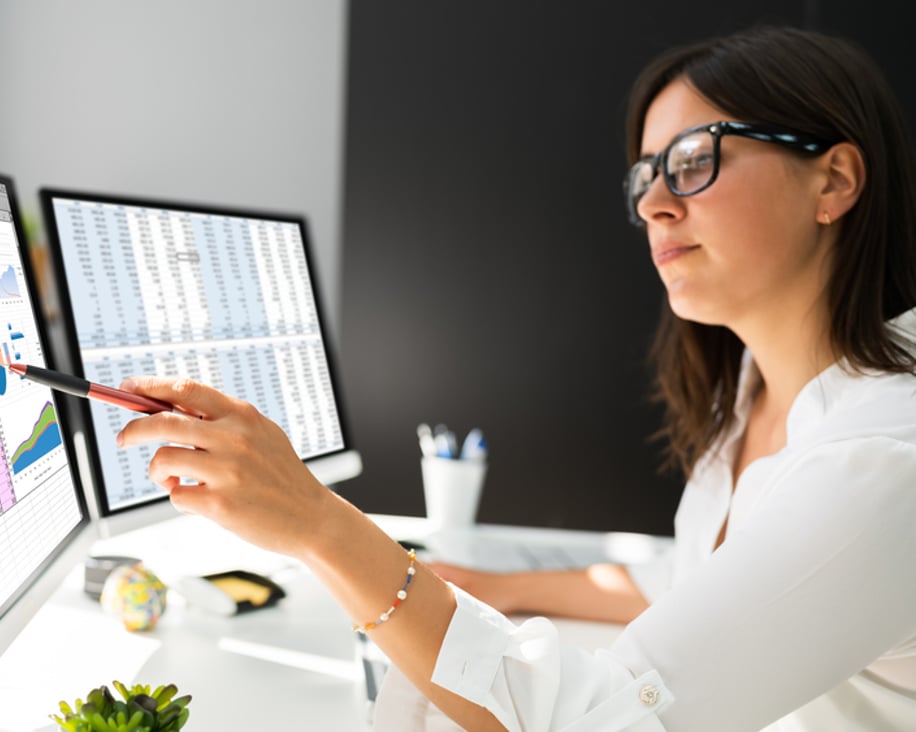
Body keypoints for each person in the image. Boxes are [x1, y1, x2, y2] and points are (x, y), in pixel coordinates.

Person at [115, 26, 916, 731]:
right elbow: (695, 580)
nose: (655, 206)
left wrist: (318, 523)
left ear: (834, 181)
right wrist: (490, 584)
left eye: (695, 161)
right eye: (645, 176)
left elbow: (588, 723)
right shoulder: (754, 391)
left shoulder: (882, 460)